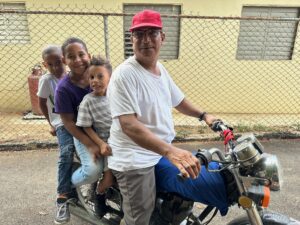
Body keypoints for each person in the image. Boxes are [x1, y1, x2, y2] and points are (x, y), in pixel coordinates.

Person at [107, 9, 228, 225]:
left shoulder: (160, 69)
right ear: (131, 39)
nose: (145, 40)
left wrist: (204, 115)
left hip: (159, 150)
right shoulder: (124, 75)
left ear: (162, 37)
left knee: (187, 191)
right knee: (139, 217)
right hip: (135, 157)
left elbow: (179, 100)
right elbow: (129, 125)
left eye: (152, 33)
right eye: (139, 34)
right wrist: (171, 152)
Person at [54, 37, 105, 217]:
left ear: (88, 55)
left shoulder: (100, 76)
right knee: (92, 171)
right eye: (71, 56)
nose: (77, 60)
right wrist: (90, 144)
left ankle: (103, 194)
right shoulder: (63, 89)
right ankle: (68, 186)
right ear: (64, 61)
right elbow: (68, 122)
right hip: (81, 131)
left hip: (104, 128)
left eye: (81, 54)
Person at [37, 45, 76, 225]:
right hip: (61, 121)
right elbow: (42, 102)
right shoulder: (46, 80)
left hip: (79, 119)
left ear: (65, 59)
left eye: (58, 62)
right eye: (50, 64)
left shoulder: (73, 75)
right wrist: (51, 123)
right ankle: (62, 197)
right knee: (66, 151)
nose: (56, 67)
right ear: (45, 65)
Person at [76, 55, 115, 217]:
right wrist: (100, 144)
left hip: (121, 139)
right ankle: (99, 195)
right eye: (92, 77)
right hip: (106, 143)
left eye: (100, 76)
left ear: (110, 77)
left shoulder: (116, 95)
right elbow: (86, 126)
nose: (95, 81)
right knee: (109, 176)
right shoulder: (88, 101)